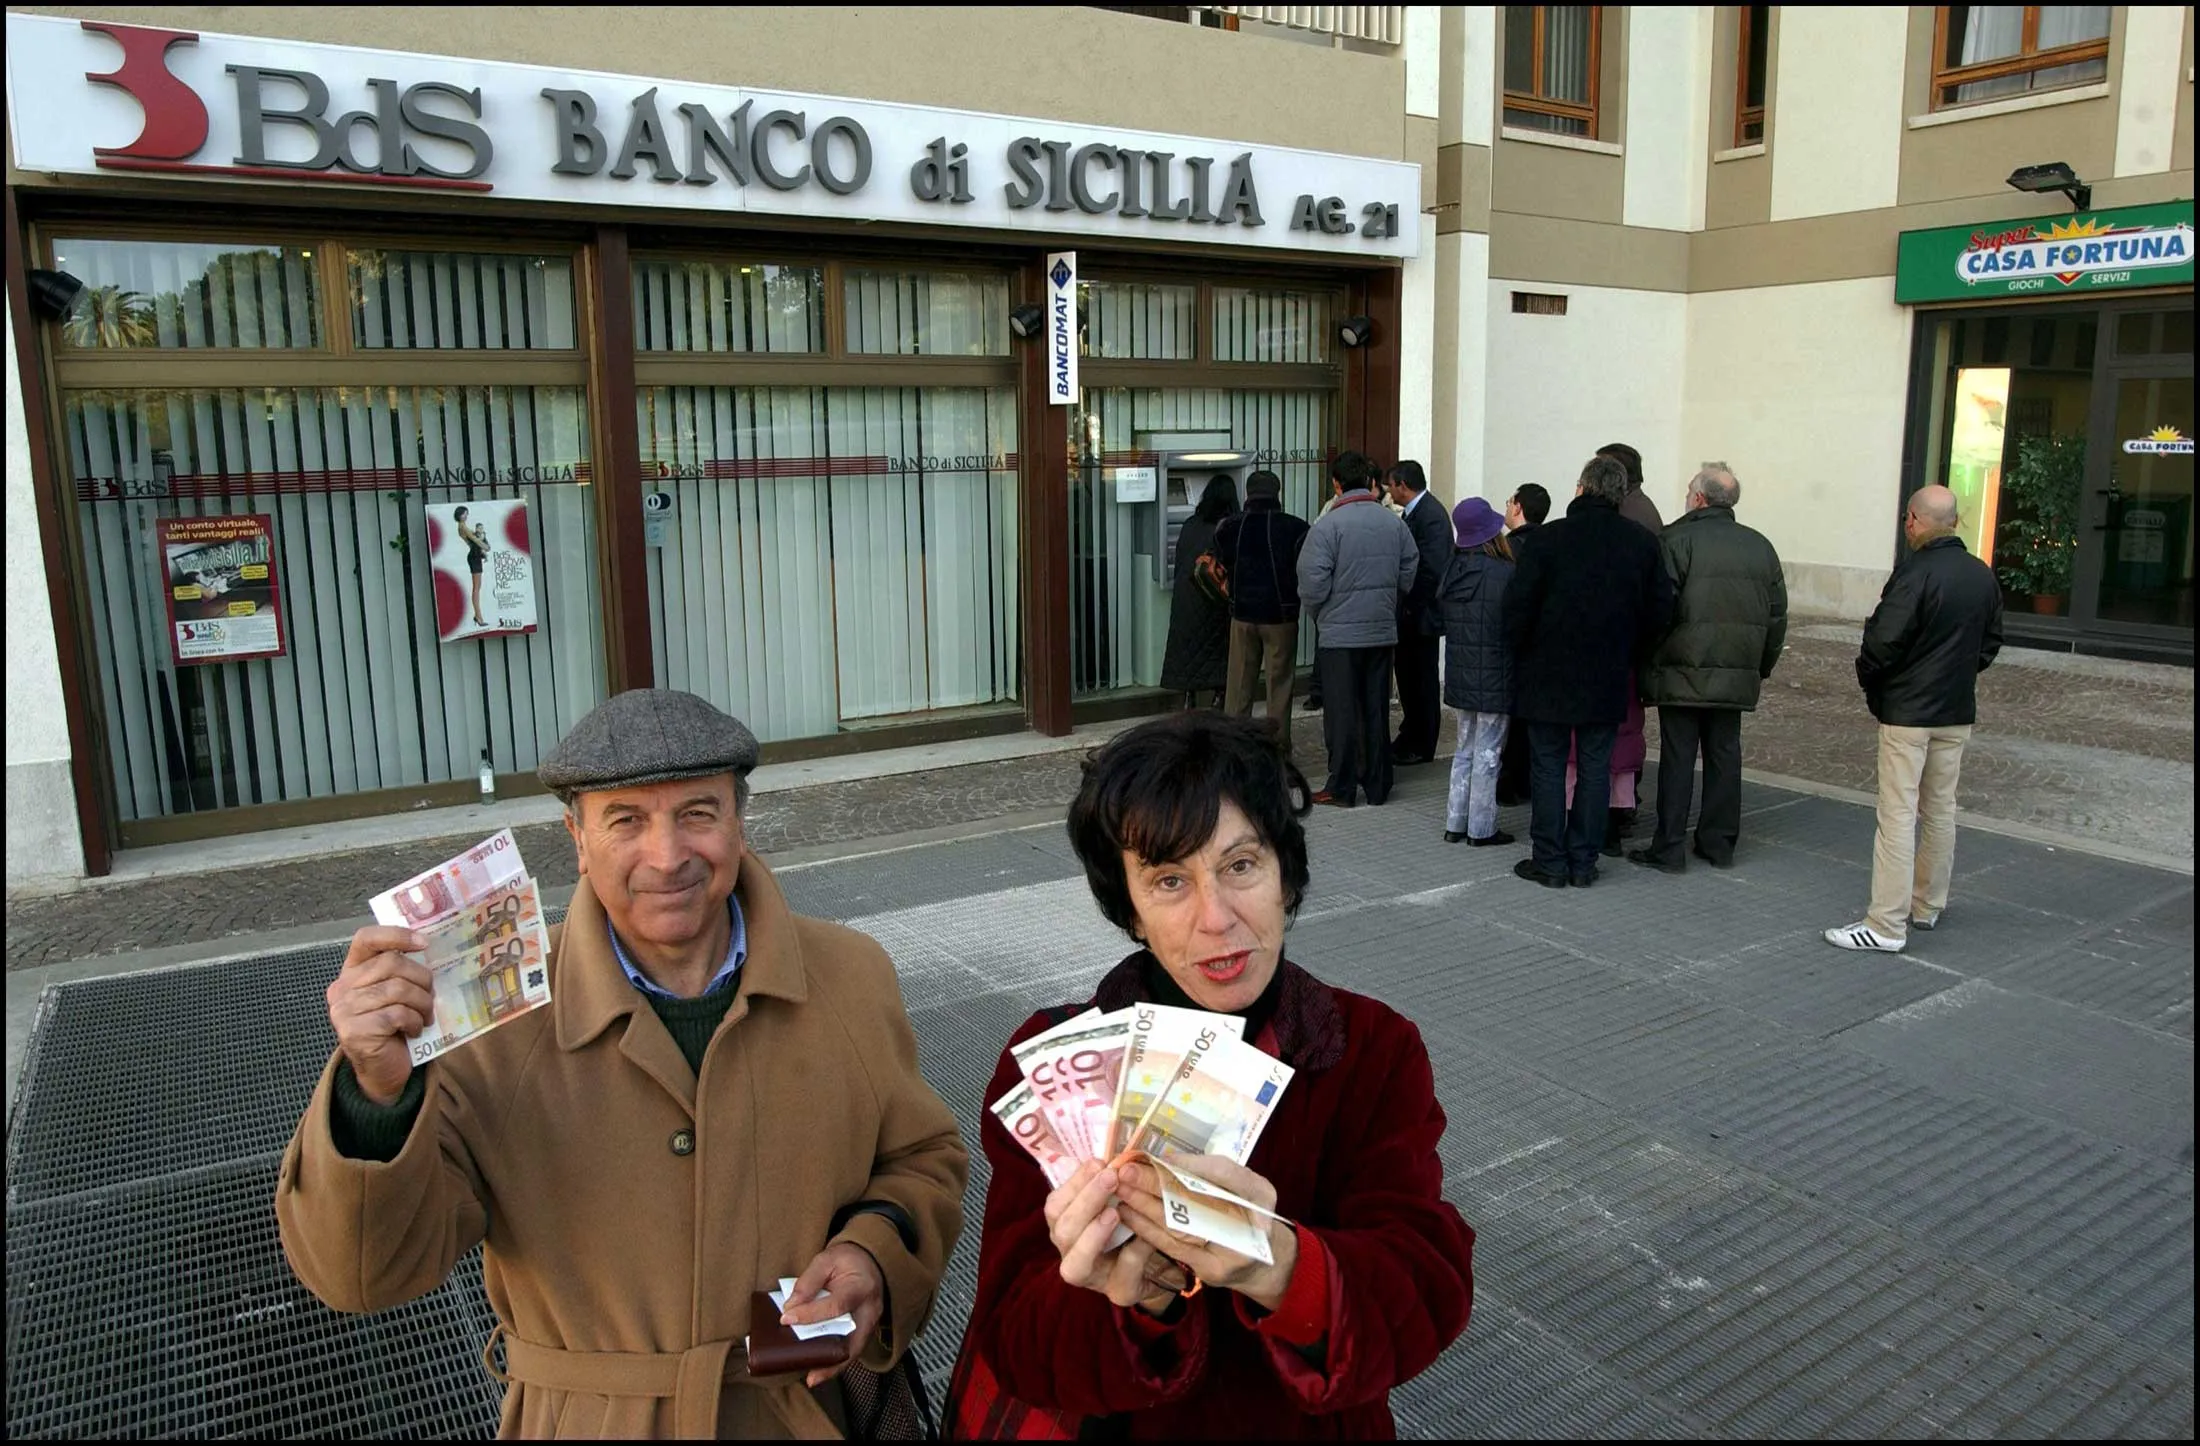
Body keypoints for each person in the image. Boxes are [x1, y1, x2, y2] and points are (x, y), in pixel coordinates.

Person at [275, 688, 969, 1438]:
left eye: (698, 814)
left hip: (806, 1414)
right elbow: (363, 1276)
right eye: (626, 821)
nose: (667, 857)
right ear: (577, 840)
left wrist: (871, 1254)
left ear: (740, 823)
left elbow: (922, 1159)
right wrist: (375, 1093)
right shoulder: (484, 1027)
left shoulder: (851, 975)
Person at [946, 712, 1475, 1439]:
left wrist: (1283, 1266)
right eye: (1169, 880)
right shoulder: (1048, 1058)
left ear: (1285, 875)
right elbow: (1015, 1342)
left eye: (1241, 865)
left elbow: (1428, 1290)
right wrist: (1133, 1303)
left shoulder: (1370, 1050)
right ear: (1128, 910)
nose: (1216, 917)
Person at [1825, 485, 2003, 952]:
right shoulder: (1981, 575)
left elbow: (1882, 643)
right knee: (1940, 809)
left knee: (1898, 815)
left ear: (1914, 520)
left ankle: (1886, 922)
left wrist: (1874, 683)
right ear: (1956, 522)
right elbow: (1989, 643)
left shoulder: (1915, 574)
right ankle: (1927, 904)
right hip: (1954, 709)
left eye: (1909, 518)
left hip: (1909, 711)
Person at [1502, 456, 1673, 889]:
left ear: (1580, 488)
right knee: (1595, 766)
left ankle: (1550, 859)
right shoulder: (1639, 543)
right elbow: (1659, 612)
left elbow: (1516, 609)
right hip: (1607, 669)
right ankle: (1583, 859)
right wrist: (1629, 648)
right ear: (1618, 495)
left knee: (1548, 766)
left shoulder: (1547, 540)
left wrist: (1523, 652)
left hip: (1548, 671)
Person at [1630, 464, 1788, 874]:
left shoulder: (1676, 541)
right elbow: (1776, 618)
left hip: (1680, 669)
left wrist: (1647, 660)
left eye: (1688, 490)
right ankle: (1718, 844)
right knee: (1724, 756)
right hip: (1733, 672)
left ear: (1699, 498)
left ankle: (1669, 847)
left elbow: (1658, 609)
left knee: (1678, 759)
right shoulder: (1760, 547)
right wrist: (1759, 667)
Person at [1297, 450, 1418, 808]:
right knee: (1375, 707)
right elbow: (1409, 569)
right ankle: (1379, 784)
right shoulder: (1393, 523)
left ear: (1336, 484)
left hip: (1339, 634)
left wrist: (1322, 614)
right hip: (1381, 630)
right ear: (1370, 483)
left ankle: (1343, 785)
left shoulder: (1326, 527)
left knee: (1341, 712)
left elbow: (1311, 584)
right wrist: (1389, 600)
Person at [1593, 444, 1663, 854]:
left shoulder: (1630, 517)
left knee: (1618, 728)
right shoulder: (1639, 509)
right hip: (1627, 638)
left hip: (1619, 641)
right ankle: (1618, 805)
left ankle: (1617, 809)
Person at [1437, 496, 1516, 846]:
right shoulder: (1505, 573)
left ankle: (1456, 821)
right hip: (1497, 674)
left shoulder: (1451, 571)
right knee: (1489, 753)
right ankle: (1481, 828)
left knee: (1465, 748)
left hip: (1461, 674)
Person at [1215, 470, 1312, 747]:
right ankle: (1277, 749)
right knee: (1279, 686)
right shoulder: (1296, 528)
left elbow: (1221, 560)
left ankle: (1233, 746)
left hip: (1242, 616)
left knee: (1239, 687)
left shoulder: (1229, 527)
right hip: (1280, 618)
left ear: (1247, 493)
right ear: (1277, 492)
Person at [1386, 461, 1454, 767]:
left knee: (1421, 681)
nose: (1389, 492)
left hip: (1422, 614)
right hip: (1411, 613)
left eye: (1391, 486)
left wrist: (1408, 597)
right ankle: (1410, 735)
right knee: (1409, 679)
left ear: (1402, 485)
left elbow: (1431, 569)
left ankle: (1422, 743)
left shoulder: (1431, 516)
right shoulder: (1417, 512)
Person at [1161, 474, 1241, 708]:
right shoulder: (1230, 525)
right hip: (1214, 597)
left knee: (1190, 647)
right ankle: (1219, 695)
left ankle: (1189, 697)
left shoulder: (1190, 523)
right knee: (1219, 646)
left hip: (1187, 594)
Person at [1494, 483, 1551, 807]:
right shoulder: (1552, 544)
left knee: (1512, 720)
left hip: (1516, 644)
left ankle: (1510, 782)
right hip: (1543, 644)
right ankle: (1528, 780)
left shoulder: (1508, 549)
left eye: (1508, 502)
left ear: (1517, 507)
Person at [455, 505, 490, 627]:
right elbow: (474, 540)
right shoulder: (463, 527)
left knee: (477, 587)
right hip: (474, 558)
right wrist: (486, 547)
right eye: (464, 514)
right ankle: (479, 617)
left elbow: (472, 541)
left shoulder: (462, 527)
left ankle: (478, 616)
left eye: (466, 514)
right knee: (476, 588)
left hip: (475, 556)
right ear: (459, 514)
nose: (466, 516)